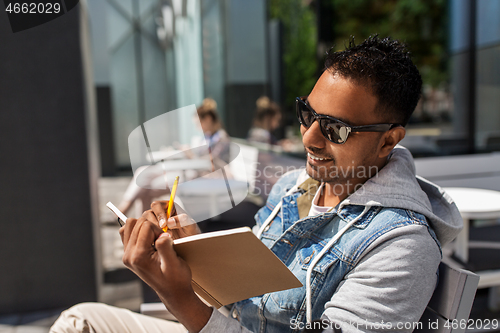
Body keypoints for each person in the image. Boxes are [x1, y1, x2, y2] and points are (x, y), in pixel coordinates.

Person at [50, 36, 462, 333]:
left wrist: (179, 299)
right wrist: (194, 258)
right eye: (307, 113)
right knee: (81, 319)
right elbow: (244, 297)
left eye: (335, 129)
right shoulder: (292, 187)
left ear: (389, 139)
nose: (309, 138)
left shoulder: (401, 245)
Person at [118, 98, 230, 216]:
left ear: (207, 119)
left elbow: (210, 163)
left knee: (146, 187)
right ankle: (136, 219)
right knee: (143, 173)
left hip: (197, 175)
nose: (197, 128)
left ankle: (127, 213)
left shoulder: (220, 138)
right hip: (189, 170)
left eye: (198, 123)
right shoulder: (206, 137)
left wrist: (189, 153)